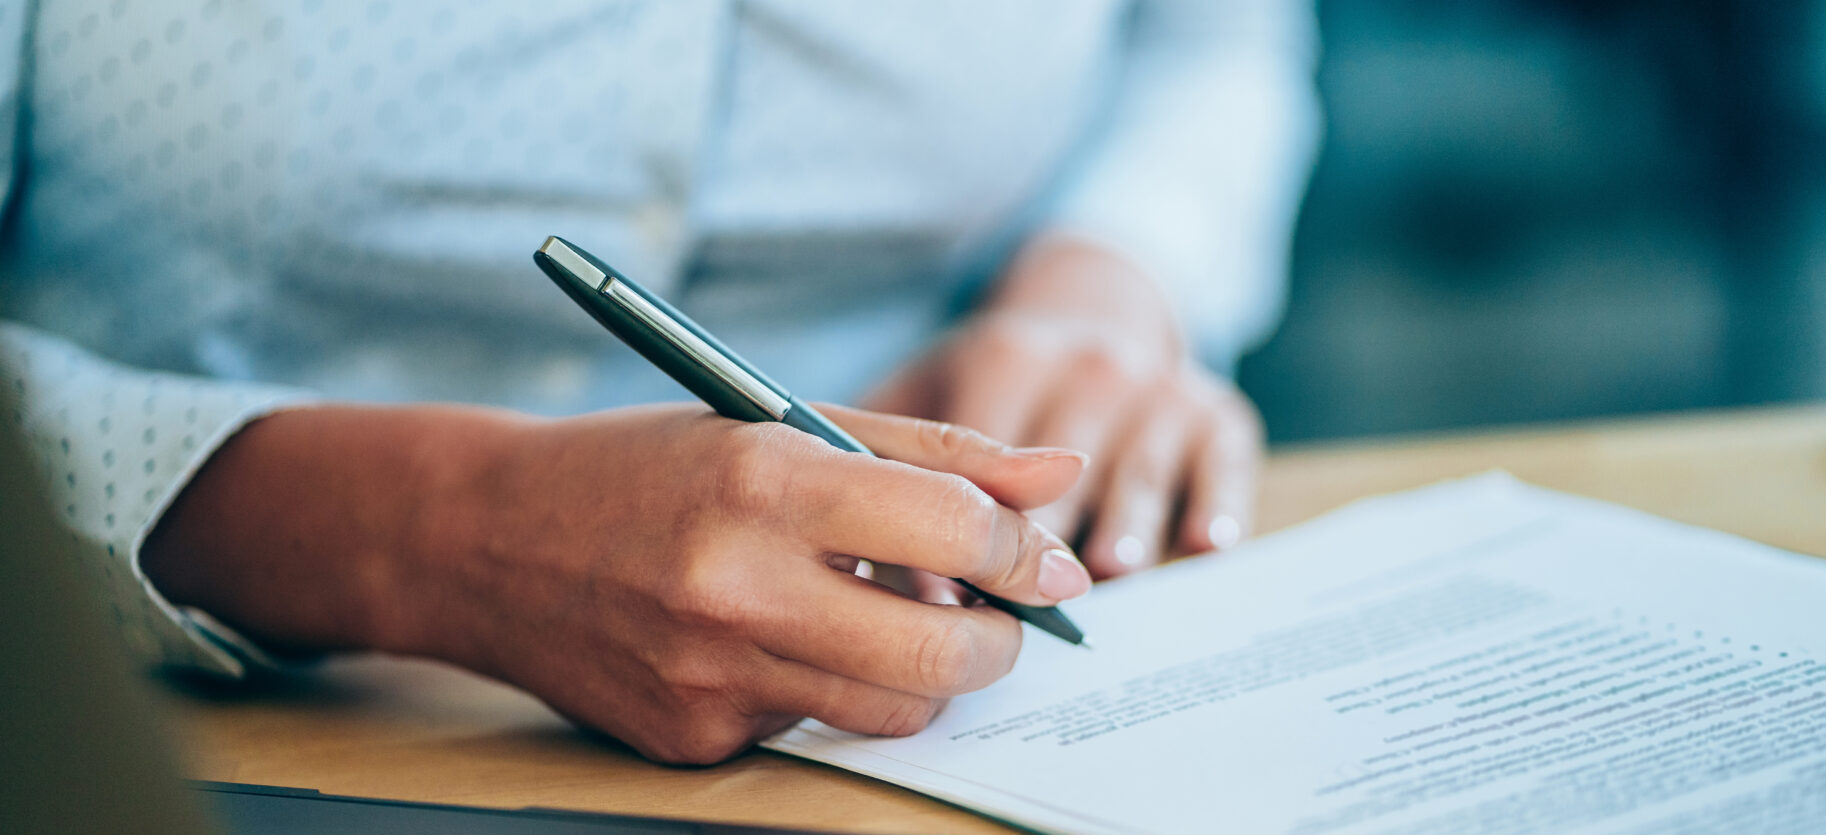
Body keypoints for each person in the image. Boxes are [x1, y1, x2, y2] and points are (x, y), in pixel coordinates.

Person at [0, 1, 1319, 764]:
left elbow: (1203, 40)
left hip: (880, 742)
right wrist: (430, 536)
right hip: (174, 735)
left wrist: (1108, 279)